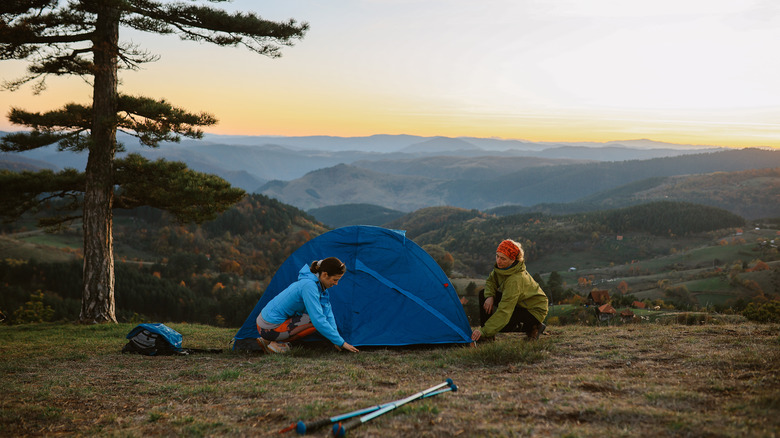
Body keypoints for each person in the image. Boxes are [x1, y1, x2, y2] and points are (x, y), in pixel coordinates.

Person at [256, 257, 359, 354]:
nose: (336, 284)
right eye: (335, 280)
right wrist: (341, 342)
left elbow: (328, 314)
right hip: (269, 327)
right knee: (314, 321)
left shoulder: (320, 288)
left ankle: (266, 341)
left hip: (265, 324)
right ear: (324, 275)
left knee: (319, 317)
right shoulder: (309, 286)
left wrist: (336, 340)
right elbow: (318, 319)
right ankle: (275, 343)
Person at [471, 239, 548, 342]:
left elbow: (504, 311)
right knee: (483, 294)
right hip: (519, 304)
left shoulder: (515, 280)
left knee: (503, 325)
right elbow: (491, 281)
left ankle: (534, 326)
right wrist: (490, 296)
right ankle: (487, 337)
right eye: (497, 256)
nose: (498, 261)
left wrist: (484, 330)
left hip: (533, 311)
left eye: (503, 258)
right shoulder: (502, 268)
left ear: (513, 260)